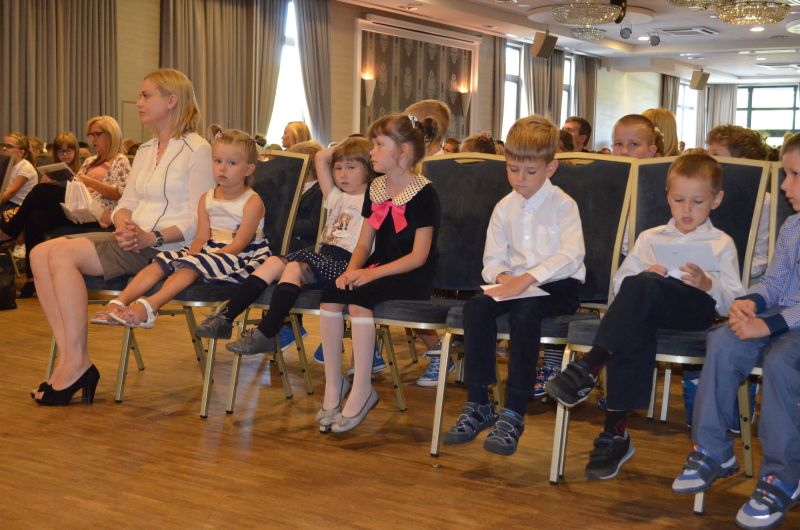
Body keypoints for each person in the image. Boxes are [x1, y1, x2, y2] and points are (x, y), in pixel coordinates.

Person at [547, 152, 744, 479]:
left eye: (697, 202)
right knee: (638, 301)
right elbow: (619, 285)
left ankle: (591, 366)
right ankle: (614, 432)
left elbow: (734, 301)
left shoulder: (721, 243)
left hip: (694, 311)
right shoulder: (650, 237)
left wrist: (708, 283)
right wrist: (647, 275)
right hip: (648, 310)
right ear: (667, 196)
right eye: (678, 200)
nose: (686, 209)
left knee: (641, 294)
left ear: (716, 200)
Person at [29, 68, 215, 405]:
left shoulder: (198, 150)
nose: (138, 102)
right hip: (133, 241)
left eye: (146, 95)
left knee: (60, 254)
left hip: (168, 249)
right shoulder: (145, 150)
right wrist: (124, 224)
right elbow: (126, 203)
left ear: (171, 101)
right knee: (39, 253)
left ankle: (76, 364)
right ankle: (71, 360)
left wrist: (152, 237)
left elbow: (200, 218)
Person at [672, 134, 800, 530]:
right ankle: (714, 449)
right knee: (723, 340)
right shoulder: (793, 226)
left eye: (795, 175)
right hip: (780, 316)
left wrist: (769, 324)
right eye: (785, 174)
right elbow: (774, 283)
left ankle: (782, 476)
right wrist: (750, 303)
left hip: (792, 328)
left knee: (781, 361)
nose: (785, 185)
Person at [444, 115, 585, 455]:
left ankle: (514, 410)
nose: (520, 179)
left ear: (550, 168)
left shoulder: (563, 205)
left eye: (530, 171)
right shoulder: (503, 207)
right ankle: (479, 402)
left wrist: (527, 279)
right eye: (512, 169)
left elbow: (571, 254)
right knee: (476, 308)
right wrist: (504, 278)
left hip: (558, 285)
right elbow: (492, 260)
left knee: (525, 314)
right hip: (516, 285)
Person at [194, 137, 375, 391]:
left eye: (352, 167)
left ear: (368, 168)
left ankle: (268, 332)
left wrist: (365, 148)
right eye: (338, 168)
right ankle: (226, 317)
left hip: (347, 262)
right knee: (271, 263)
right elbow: (320, 157)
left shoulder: (372, 198)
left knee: (292, 267)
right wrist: (346, 147)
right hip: (323, 255)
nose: (343, 174)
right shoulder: (336, 197)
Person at [317, 114, 440, 433]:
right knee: (330, 296)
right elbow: (364, 242)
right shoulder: (376, 187)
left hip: (411, 273)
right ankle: (334, 386)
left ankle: (362, 390)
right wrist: (351, 271)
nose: (371, 151)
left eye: (379, 145)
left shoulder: (424, 192)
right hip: (379, 267)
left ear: (403, 152)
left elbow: (419, 256)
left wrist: (371, 275)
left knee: (360, 302)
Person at [98, 130, 268, 328]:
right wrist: (194, 251)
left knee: (191, 265)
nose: (222, 168)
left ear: (248, 169)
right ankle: (118, 302)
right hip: (210, 248)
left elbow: (239, 244)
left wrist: (200, 258)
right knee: (162, 260)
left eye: (232, 163)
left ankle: (149, 307)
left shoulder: (252, 202)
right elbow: (201, 236)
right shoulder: (207, 198)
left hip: (240, 255)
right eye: (217, 161)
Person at [0, 119, 130, 298]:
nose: (93, 139)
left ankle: (8, 233)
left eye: (97, 134)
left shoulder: (120, 160)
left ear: (111, 134)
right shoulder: (90, 161)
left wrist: (89, 182)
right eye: (90, 135)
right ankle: (32, 280)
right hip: (78, 207)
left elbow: (121, 194)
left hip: (99, 215)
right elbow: (77, 185)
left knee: (40, 190)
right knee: (35, 218)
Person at [403, 99, 454, 385]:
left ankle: (439, 352)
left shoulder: (440, 168)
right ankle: (369, 347)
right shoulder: (409, 166)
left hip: (436, 248)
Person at [0, 132, 38, 213]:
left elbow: (11, 192)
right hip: (6, 203)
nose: (4, 148)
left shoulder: (25, 167)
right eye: (3, 145)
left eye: (9, 146)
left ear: (21, 152)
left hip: (18, 207)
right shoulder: (6, 165)